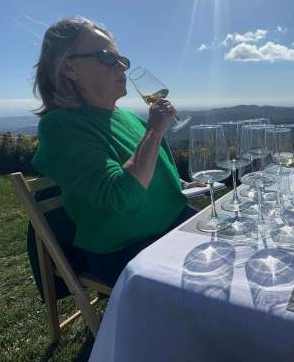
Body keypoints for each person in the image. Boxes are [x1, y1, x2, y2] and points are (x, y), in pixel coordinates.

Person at [31, 17, 200, 285]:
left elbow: (151, 171)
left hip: (176, 223)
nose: (122, 66)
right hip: (129, 249)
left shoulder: (128, 117)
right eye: (107, 57)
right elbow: (121, 197)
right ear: (69, 68)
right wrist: (155, 131)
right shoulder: (60, 127)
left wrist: (182, 185)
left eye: (121, 59)